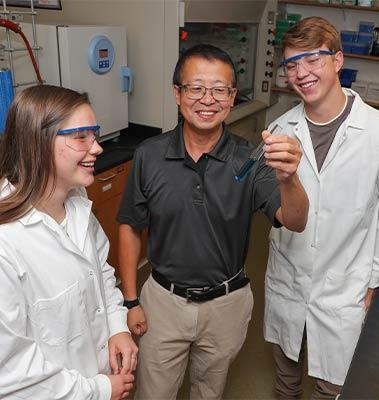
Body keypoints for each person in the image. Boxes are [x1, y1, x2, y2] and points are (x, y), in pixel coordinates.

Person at [117, 44, 309, 400]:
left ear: (232, 96)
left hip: (226, 305)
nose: (208, 99)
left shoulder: (251, 159)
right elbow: (130, 225)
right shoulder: (149, 155)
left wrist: (290, 178)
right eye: (196, 88)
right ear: (177, 93)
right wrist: (130, 301)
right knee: (152, 394)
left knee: (210, 392)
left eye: (220, 89)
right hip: (163, 302)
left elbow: (295, 220)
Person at [264, 16, 379, 400]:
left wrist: (374, 280)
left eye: (312, 60)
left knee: (334, 388)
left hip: (347, 286)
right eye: (292, 64)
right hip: (289, 280)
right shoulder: (278, 131)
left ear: (337, 60)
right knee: (285, 382)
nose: (301, 73)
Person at [0, 84, 138, 400]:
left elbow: (101, 273)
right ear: (38, 143)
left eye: (95, 134)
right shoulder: (6, 241)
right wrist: (99, 390)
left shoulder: (76, 201)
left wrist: (117, 326)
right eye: (81, 137)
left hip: (99, 373)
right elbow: (12, 371)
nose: (98, 147)